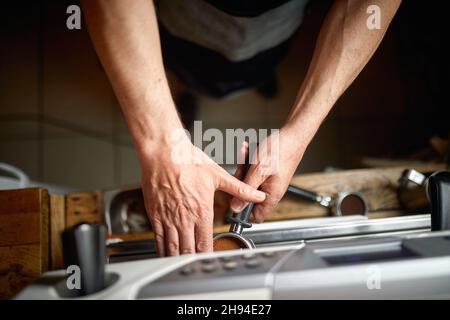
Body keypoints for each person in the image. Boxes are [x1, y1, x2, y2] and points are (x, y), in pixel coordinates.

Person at [81, 0, 402, 256]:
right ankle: (190, 92)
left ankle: (253, 79)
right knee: (191, 72)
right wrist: (161, 143)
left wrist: (300, 130)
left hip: (275, 27)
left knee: (256, 68)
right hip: (185, 22)